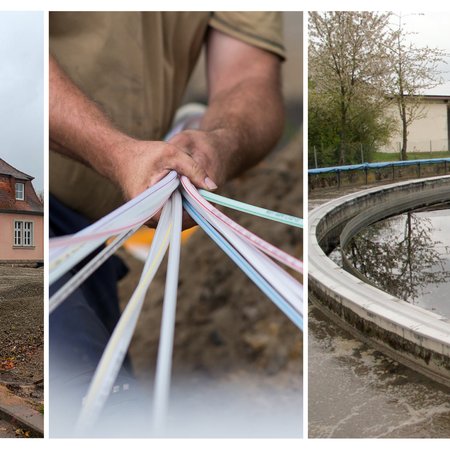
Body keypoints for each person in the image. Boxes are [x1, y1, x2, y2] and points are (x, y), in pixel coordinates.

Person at [49, 12, 286, 435]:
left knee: (115, 407)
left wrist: (218, 143)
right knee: (101, 411)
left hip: (94, 245)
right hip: (40, 222)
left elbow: (250, 75)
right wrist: (117, 152)